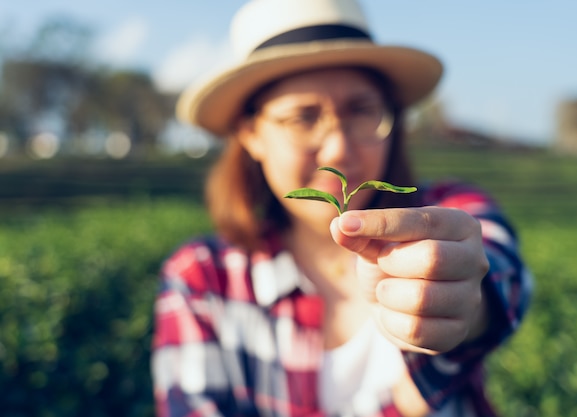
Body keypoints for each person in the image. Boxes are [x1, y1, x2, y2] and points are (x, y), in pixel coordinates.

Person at [151, 0, 532, 416]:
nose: (339, 149)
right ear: (252, 135)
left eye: (361, 111)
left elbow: (499, 270)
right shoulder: (203, 278)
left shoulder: (450, 208)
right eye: (303, 117)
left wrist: (465, 304)